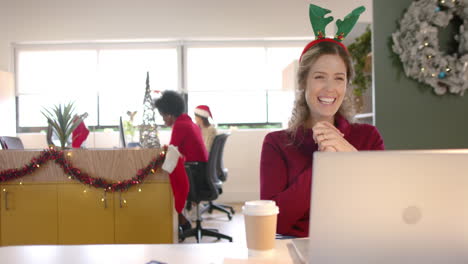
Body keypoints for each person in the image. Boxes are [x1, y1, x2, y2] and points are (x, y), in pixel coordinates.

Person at [260, 4, 384, 238]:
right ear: (303, 82)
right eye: (319, 77)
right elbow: (274, 223)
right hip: (295, 247)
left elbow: (382, 208)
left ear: (346, 84)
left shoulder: (368, 137)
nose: (330, 88)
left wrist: (348, 154)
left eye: (339, 78)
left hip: (357, 244)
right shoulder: (276, 143)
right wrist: (323, 164)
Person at [153, 91, 208, 233]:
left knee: (163, 176)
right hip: (201, 171)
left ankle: (177, 217)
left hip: (195, 174)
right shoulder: (188, 122)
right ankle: (180, 218)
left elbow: (171, 150)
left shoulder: (180, 125)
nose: (163, 120)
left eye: (163, 116)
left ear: (169, 113)